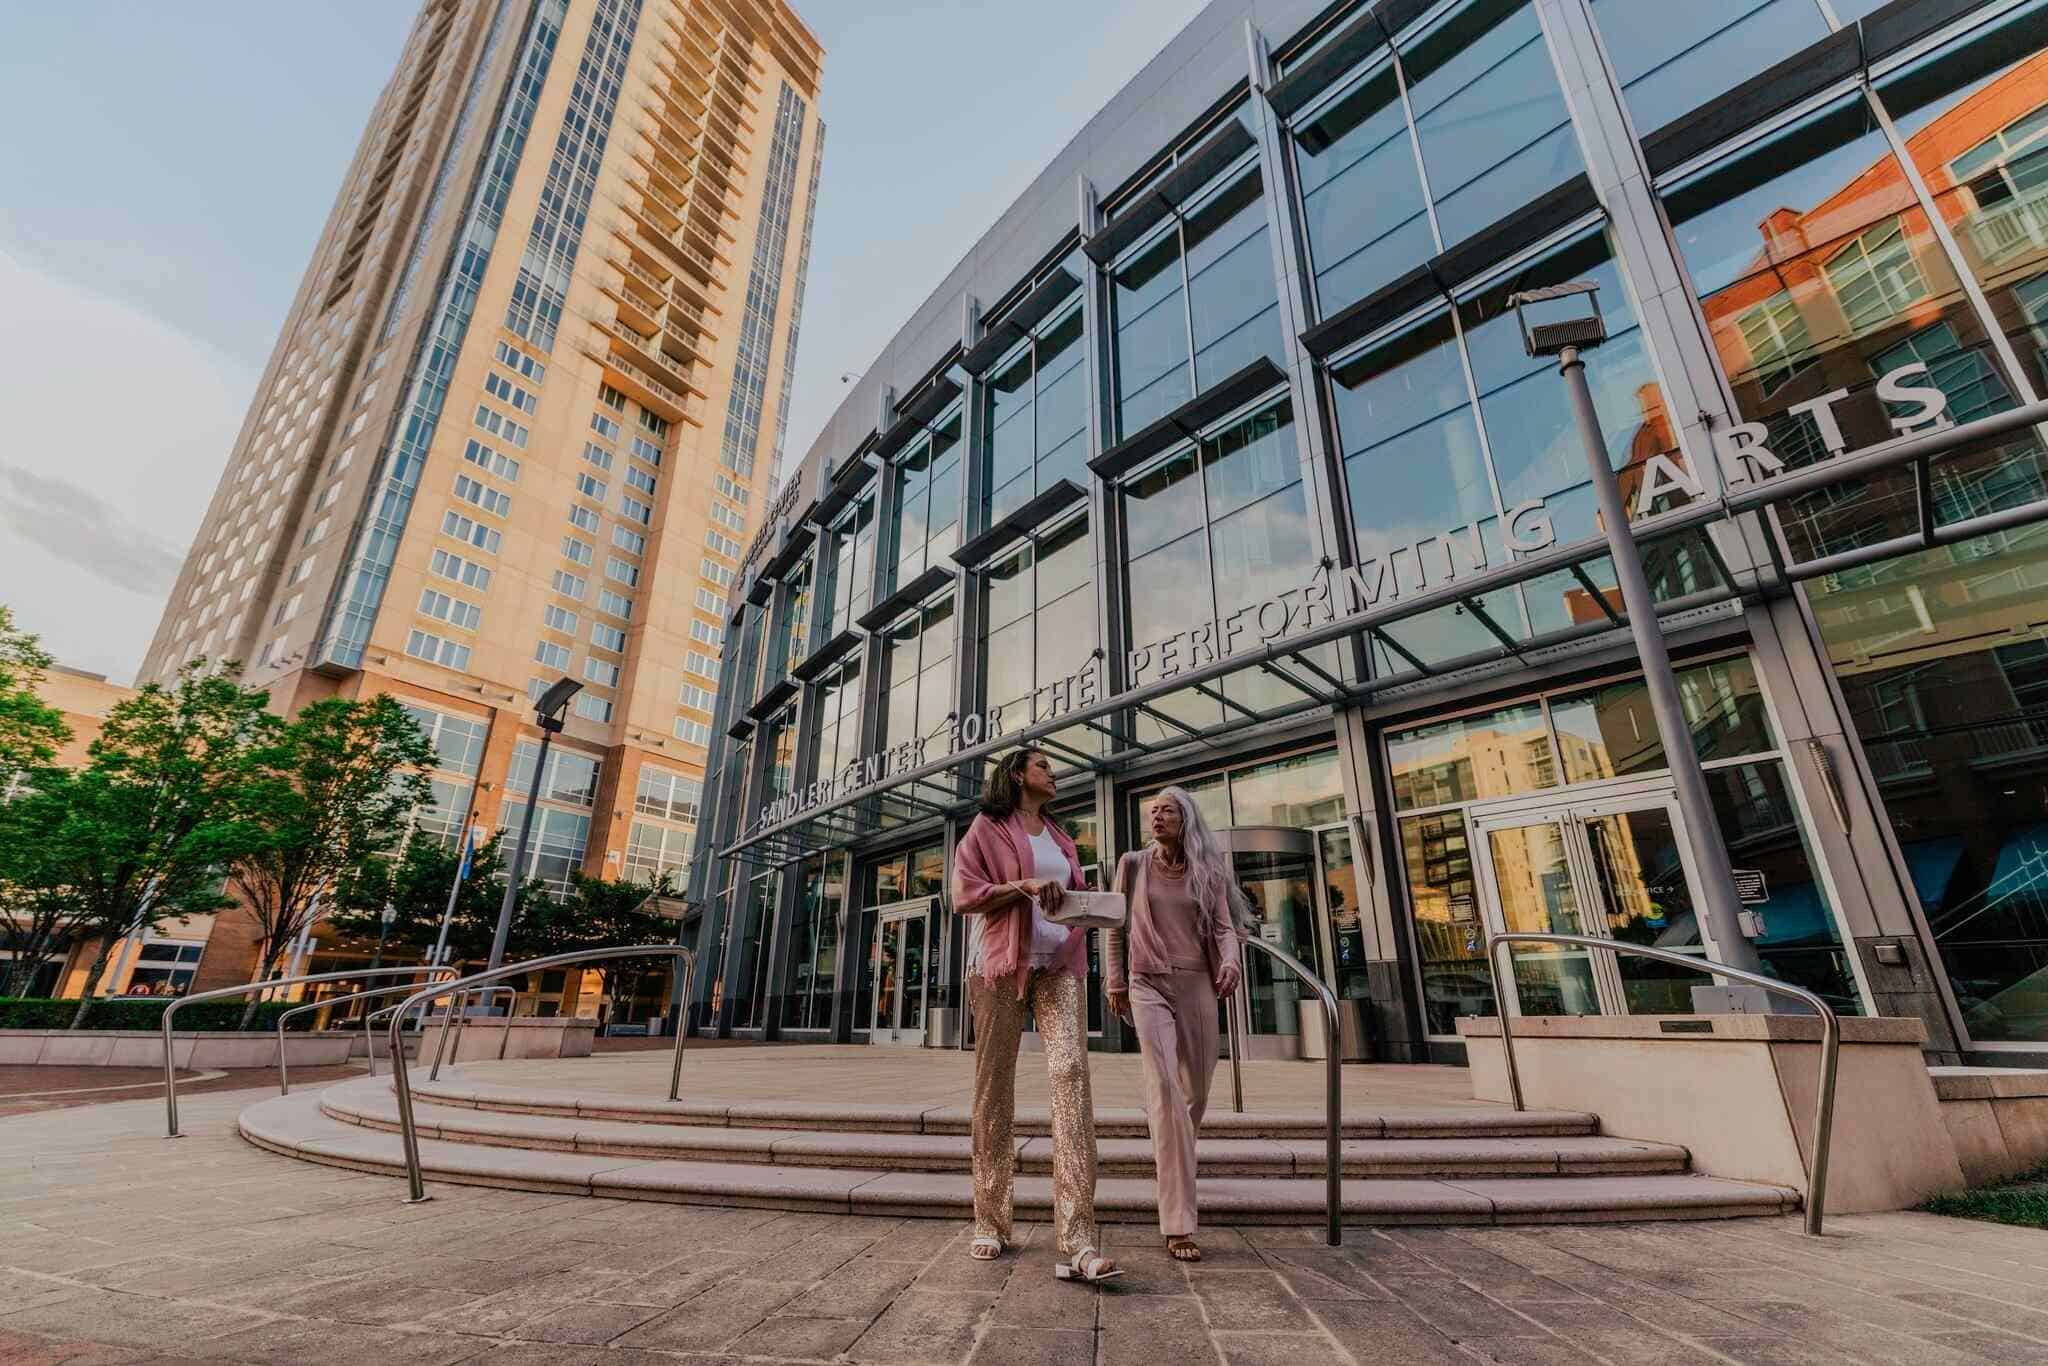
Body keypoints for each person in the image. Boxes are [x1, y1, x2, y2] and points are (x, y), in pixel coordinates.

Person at [952, 747, 1119, 1283]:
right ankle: (990, 1218)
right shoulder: (987, 826)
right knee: (994, 1085)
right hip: (1000, 966)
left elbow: (1071, 895)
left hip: (1061, 965)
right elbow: (964, 894)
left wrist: (1089, 906)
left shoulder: (1062, 836)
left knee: (1071, 1077)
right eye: (1044, 765)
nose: (1054, 773)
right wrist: (1018, 888)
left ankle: (1076, 1235)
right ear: (1020, 775)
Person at [1103, 786, 1248, 1263]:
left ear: (1185, 817)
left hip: (1198, 984)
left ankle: (1175, 1160)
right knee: (1164, 1088)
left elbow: (1226, 927)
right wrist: (1116, 980)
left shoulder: (1208, 868)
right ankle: (1179, 1221)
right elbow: (1114, 924)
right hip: (1147, 984)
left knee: (1196, 1094)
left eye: (1166, 810)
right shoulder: (1132, 864)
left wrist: (1231, 962)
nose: (1157, 817)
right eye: (1152, 812)